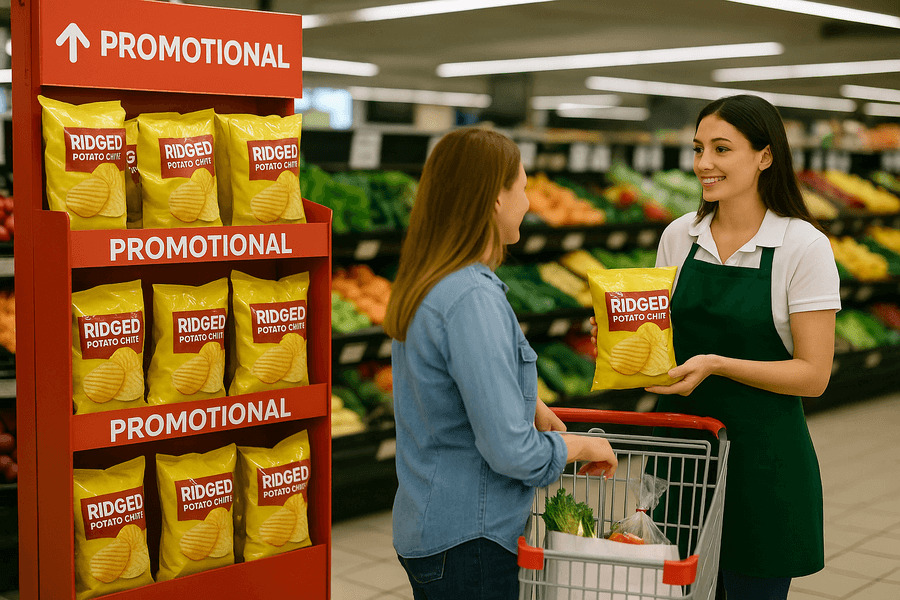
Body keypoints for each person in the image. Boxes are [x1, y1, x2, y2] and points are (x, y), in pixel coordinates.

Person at [383, 127, 618, 600]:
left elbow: (450, 389)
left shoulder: (432, 282)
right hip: (470, 537)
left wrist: (529, 405)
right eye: (523, 187)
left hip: (429, 520)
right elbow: (511, 452)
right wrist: (583, 447)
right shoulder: (471, 297)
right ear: (494, 198)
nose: (528, 203)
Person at [645, 94, 840, 600]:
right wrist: (628, 347)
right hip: (681, 462)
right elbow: (660, 352)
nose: (704, 163)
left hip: (766, 466)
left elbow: (814, 375)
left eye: (722, 148)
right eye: (697, 148)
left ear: (765, 155)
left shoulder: (802, 246)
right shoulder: (678, 236)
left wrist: (717, 364)